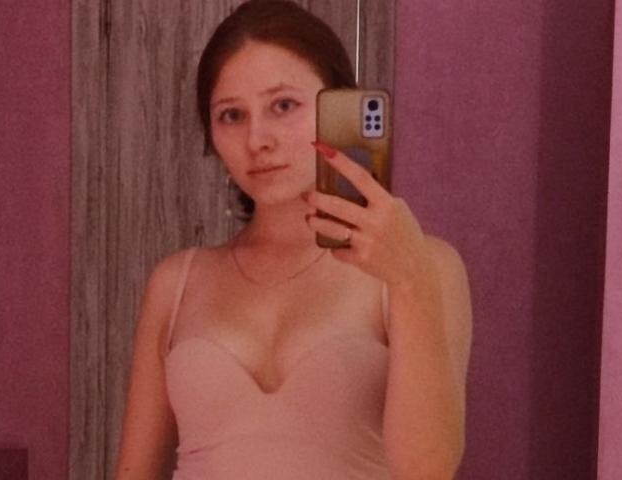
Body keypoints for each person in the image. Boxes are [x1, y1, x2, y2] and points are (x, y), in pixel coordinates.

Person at [113, 1, 473, 479]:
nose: (257, 139)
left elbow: (427, 469)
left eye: (283, 105)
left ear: (337, 108)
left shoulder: (425, 266)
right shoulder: (175, 282)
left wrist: (409, 281)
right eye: (231, 115)